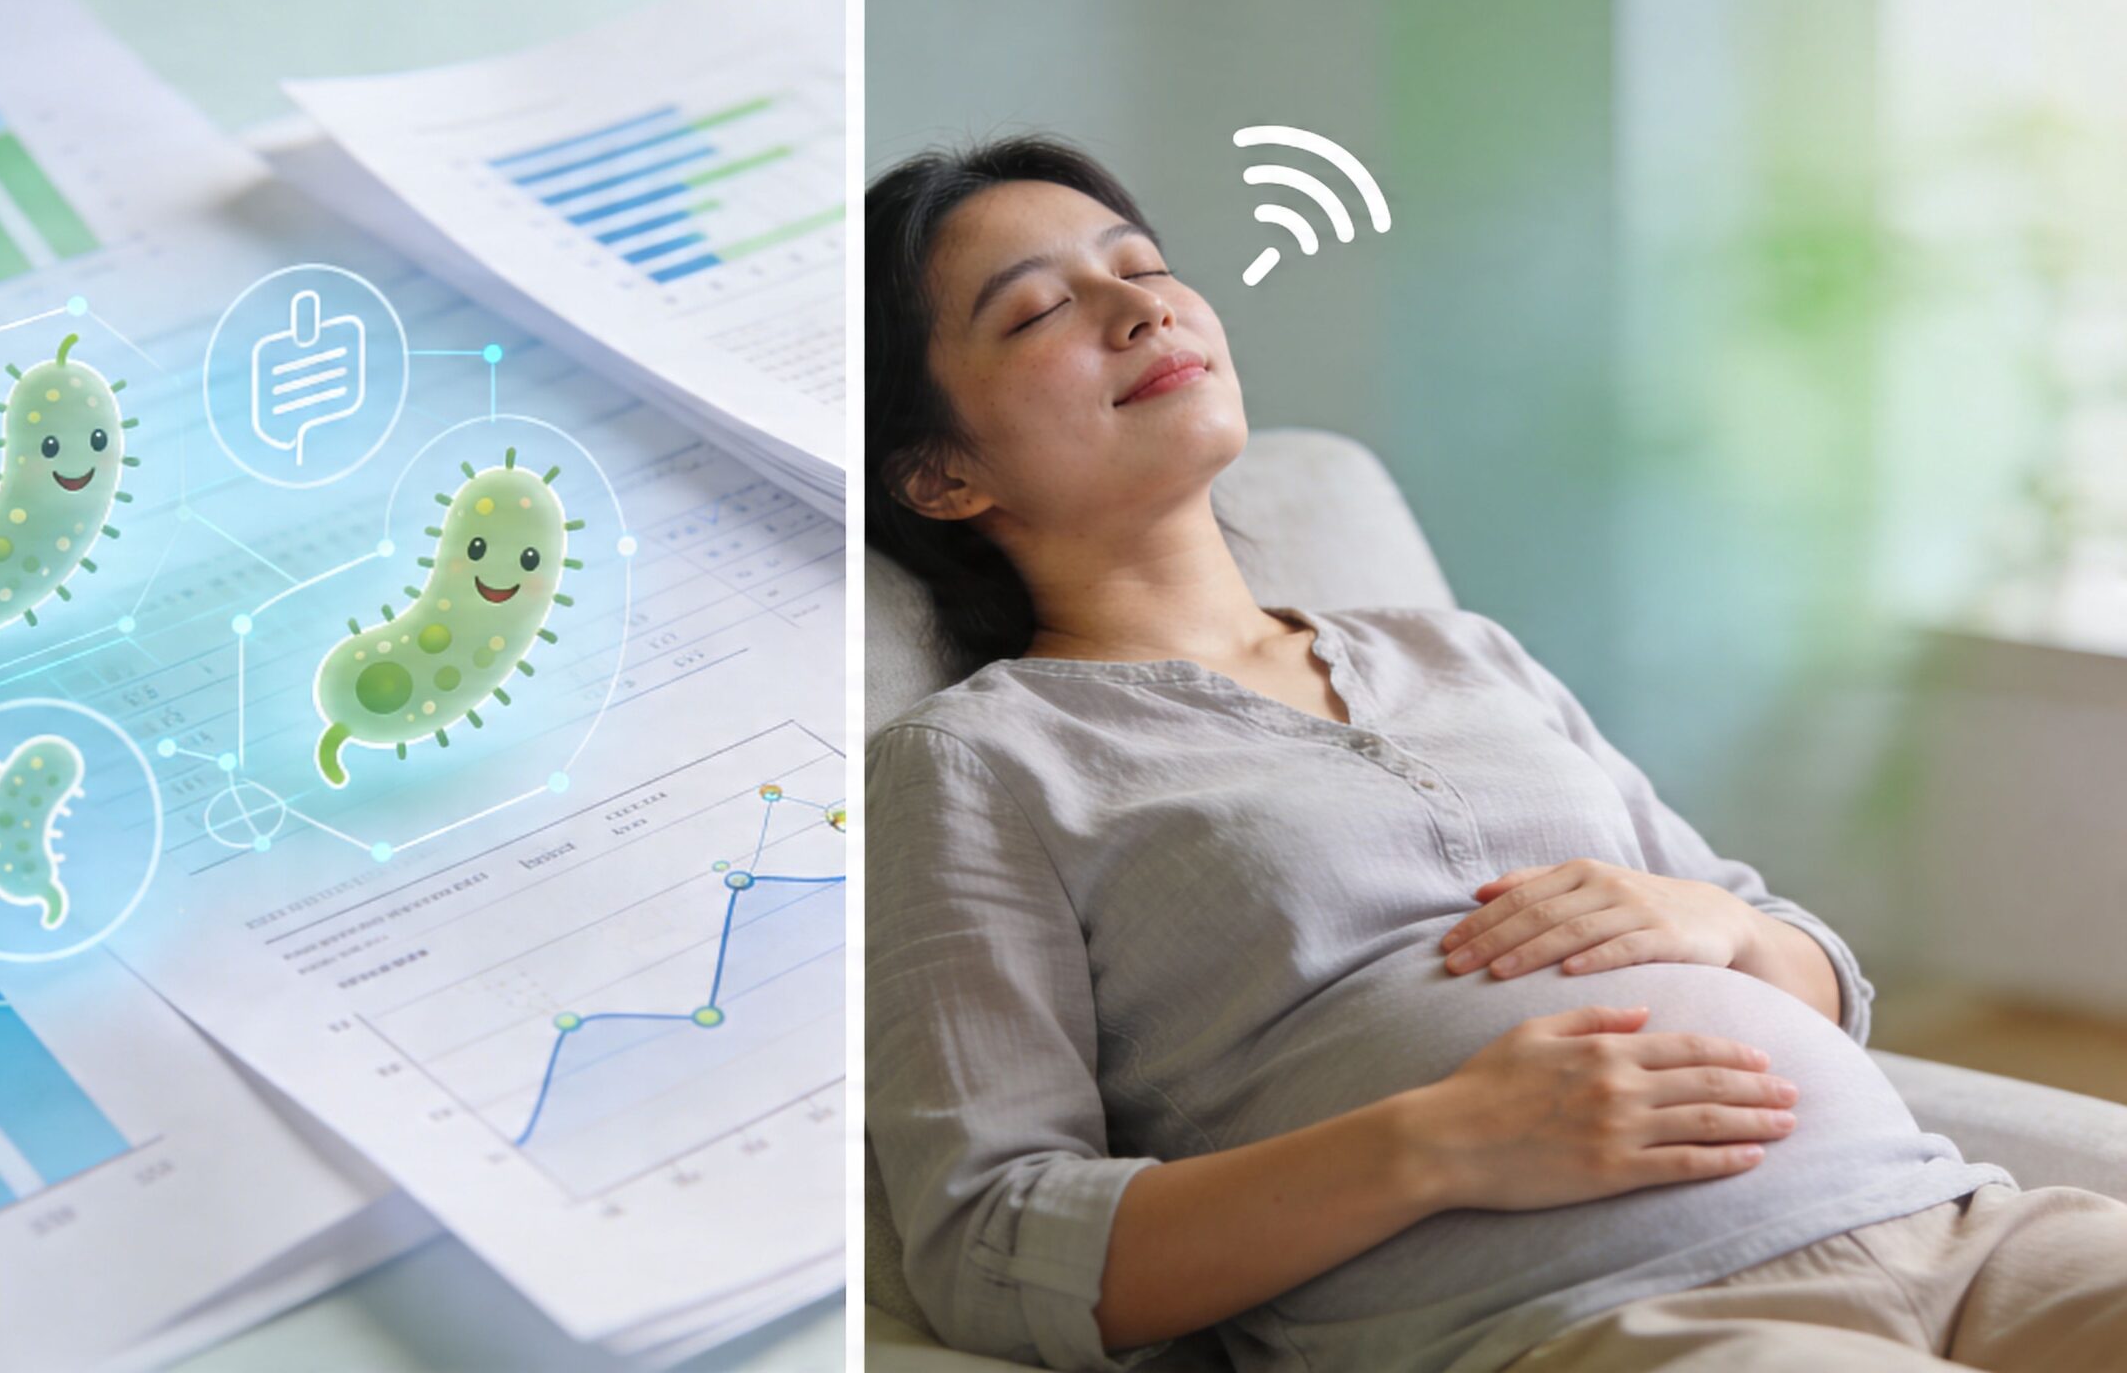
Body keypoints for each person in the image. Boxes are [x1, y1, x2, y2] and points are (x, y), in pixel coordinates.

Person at [862, 135, 2127, 1373]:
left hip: (1958, 1230)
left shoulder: (1457, 652)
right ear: (940, 475)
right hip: (1596, 1319)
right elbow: (986, 1246)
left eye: (1139, 266)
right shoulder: (978, 762)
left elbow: (1806, 969)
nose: (1134, 311)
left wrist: (1721, 928)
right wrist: (1439, 1144)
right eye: (1035, 313)